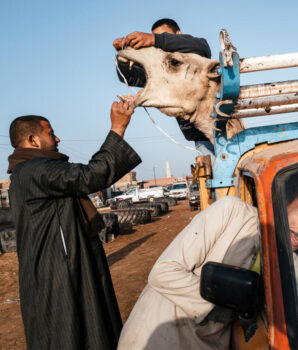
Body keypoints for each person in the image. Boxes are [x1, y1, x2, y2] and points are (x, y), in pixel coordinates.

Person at [118, 190, 298, 349]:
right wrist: (232, 307)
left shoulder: (292, 267)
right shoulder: (232, 212)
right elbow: (163, 273)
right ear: (283, 202)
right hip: (157, 338)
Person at [7, 101, 141, 349]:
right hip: (60, 275)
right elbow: (90, 176)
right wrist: (118, 128)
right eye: (50, 133)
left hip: (58, 268)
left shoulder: (25, 173)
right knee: (73, 334)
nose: (57, 138)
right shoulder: (35, 169)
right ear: (32, 140)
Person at [113, 18, 214, 155]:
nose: (160, 45)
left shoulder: (193, 57)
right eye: (157, 38)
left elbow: (202, 46)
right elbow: (130, 77)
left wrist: (155, 40)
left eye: (164, 36)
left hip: (223, 132)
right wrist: (123, 56)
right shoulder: (164, 71)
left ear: (178, 35)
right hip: (202, 140)